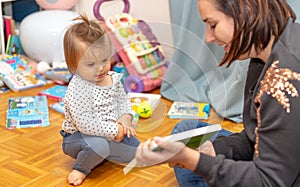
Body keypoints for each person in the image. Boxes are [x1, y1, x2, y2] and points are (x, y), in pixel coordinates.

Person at [135, 0, 300, 186]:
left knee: (190, 158)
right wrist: (212, 149)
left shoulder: (284, 78)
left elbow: (268, 181)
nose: (208, 37)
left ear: (247, 11)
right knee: (186, 132)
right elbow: (257, 134)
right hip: (279, 162)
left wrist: (192, 160)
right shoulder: (268, 54)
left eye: (213, 25)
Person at [60, 14, 139, 186]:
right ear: (73, 66)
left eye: (104, 60)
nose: (100, 68)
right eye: (90, 64)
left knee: (135, 150)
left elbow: (123, 101)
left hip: (109, 132)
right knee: (99, 145)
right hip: (78, 137)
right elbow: (85, 123)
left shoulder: (113, 78)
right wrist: (114, 130)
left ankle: (104, 153)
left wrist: (125, 119)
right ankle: (81, 168)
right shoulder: (78, 87)